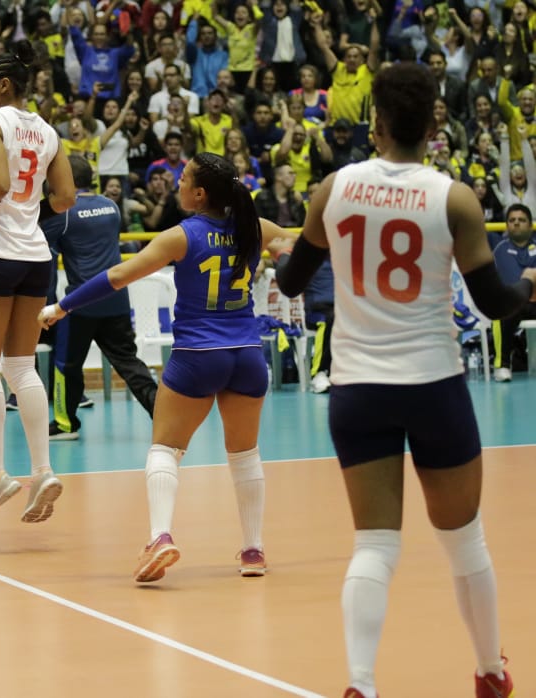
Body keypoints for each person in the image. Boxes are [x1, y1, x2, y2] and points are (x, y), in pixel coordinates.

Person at [275, 63, 536, 698]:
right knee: (464, 542)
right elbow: (495, 303)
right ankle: (490, 673)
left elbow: (289, 283)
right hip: (432, 385)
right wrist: (530, 284)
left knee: (374, 544)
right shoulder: (454, 198)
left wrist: (288, 247)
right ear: (432, 124)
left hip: (358, 389)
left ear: (378, 122)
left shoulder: (332, 188)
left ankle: (361, 683)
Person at [40, 152, 281, 582]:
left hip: (197, 357)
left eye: (184, 178)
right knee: (245, 455)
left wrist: (62, 305)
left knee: (165, 449)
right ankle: (253, 550)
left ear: (200, 193)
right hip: (247, 354)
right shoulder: (256, 228)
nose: (177, 183)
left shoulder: (182, 236)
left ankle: (160, 537)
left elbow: (117, 276)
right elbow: (299, 248)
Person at [0, 41, 76, 525]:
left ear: (3, 83)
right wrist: (29, 217)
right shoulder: (48, 131)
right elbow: (64, 198)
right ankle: (43, 470)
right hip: (36, 257)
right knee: (21, 366)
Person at [43, 154, 158, 441]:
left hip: (79, 303)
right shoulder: (111, 206)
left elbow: (46, 257)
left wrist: (47, 304)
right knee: (129, 361)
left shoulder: (63, 213)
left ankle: (66, 424)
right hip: (116, 297)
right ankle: (163, 413)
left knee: (66, 364)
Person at [490, 203, 536, 381]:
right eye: (512, 220)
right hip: (514, 304)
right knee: (501, 311)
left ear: (530, 225)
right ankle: (502, 365)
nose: (516, 223)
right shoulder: (498, 249)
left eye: (522, 220)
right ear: (507, 225)